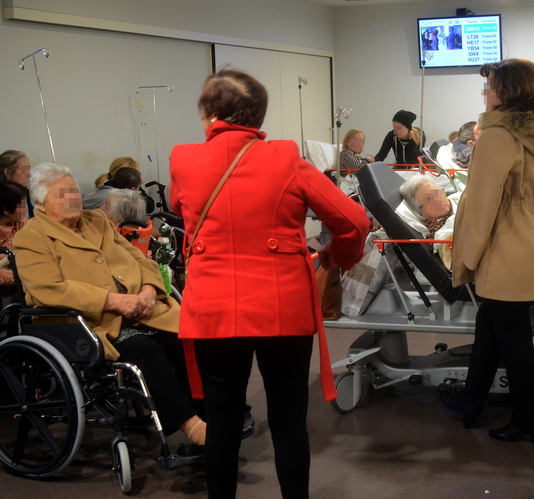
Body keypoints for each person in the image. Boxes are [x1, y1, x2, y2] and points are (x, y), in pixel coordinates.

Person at [169, 69, 368, 499]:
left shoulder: (183, 160)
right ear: (258, 116)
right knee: (288, 420)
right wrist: (337, 257)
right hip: (283, 307)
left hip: (215, 310)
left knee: (221, 423)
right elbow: (354, 220)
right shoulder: (286, 159)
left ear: (208, 114)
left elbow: (176, 202)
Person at [13, 163, 209, 446]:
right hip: (89, 323)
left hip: (140, 309)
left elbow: (141, 259)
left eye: (74, 191)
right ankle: (191, 426)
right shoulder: (31, 238)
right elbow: (48, 290)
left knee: (185, 338)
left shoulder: (97, 221)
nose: (73, 199)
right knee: (147, 350)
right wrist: (113, 301)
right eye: (62, 195)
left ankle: (208, 415)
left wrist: (149, 290)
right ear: (40, 205)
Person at [449, 59, 534, 443]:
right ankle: (470, 402)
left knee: (513, 341)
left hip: (506, 245)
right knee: (491, 328)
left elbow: (482, 202)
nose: (485, 95)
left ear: (507, 93)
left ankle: (528, 421)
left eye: (490, 87)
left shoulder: (497, 136)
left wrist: (467, 257)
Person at [0, 181, 28, 289]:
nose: (26, 210)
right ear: (6, 210)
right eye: (21, 207)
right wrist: (26, 277)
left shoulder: (21, 221)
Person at [1, 149, 33, 217]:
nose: (29, 174)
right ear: (7, 173)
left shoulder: (31, 197)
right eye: (24, 170)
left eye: (28, 169)